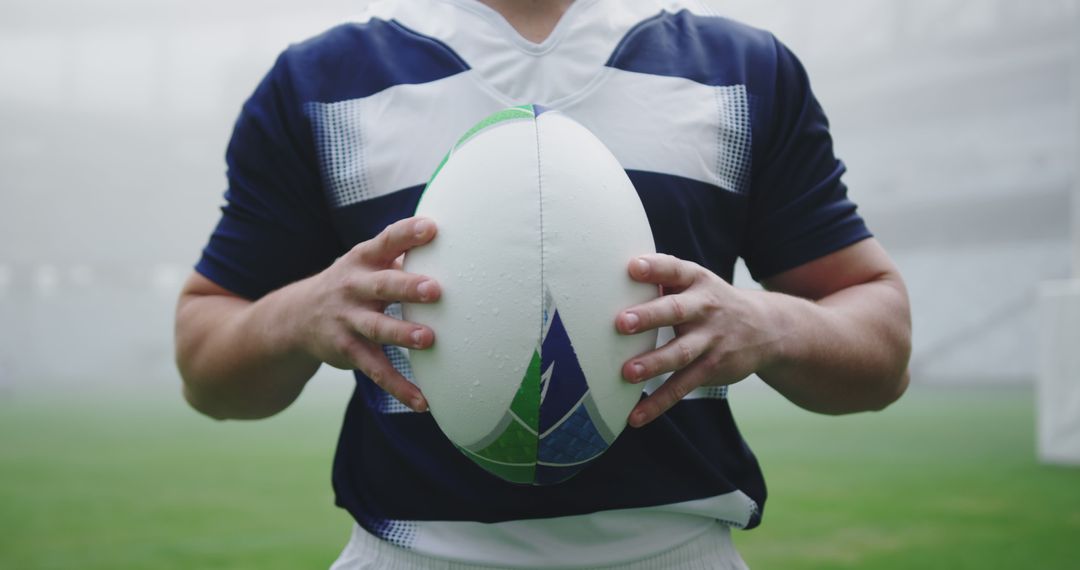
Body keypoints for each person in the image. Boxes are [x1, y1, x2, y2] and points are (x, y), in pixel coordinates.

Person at [175, 0, 912, 567]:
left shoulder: (741, 72)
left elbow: (881, 348)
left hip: (679, 552)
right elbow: (207, 368)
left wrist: (771, 325)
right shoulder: (320, 85)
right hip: (408, 553)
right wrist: (297, 315)